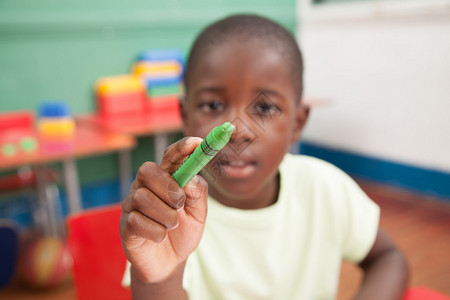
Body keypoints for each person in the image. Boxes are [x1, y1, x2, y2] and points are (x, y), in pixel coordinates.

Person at [120, 14, 409, 299]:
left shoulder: (326, 188)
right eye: (214, 104)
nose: (238, 131)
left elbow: (388, 258)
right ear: (185, 115)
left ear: (297, 122)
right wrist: (156, 278)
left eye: (265, 109)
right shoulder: (168, 218)